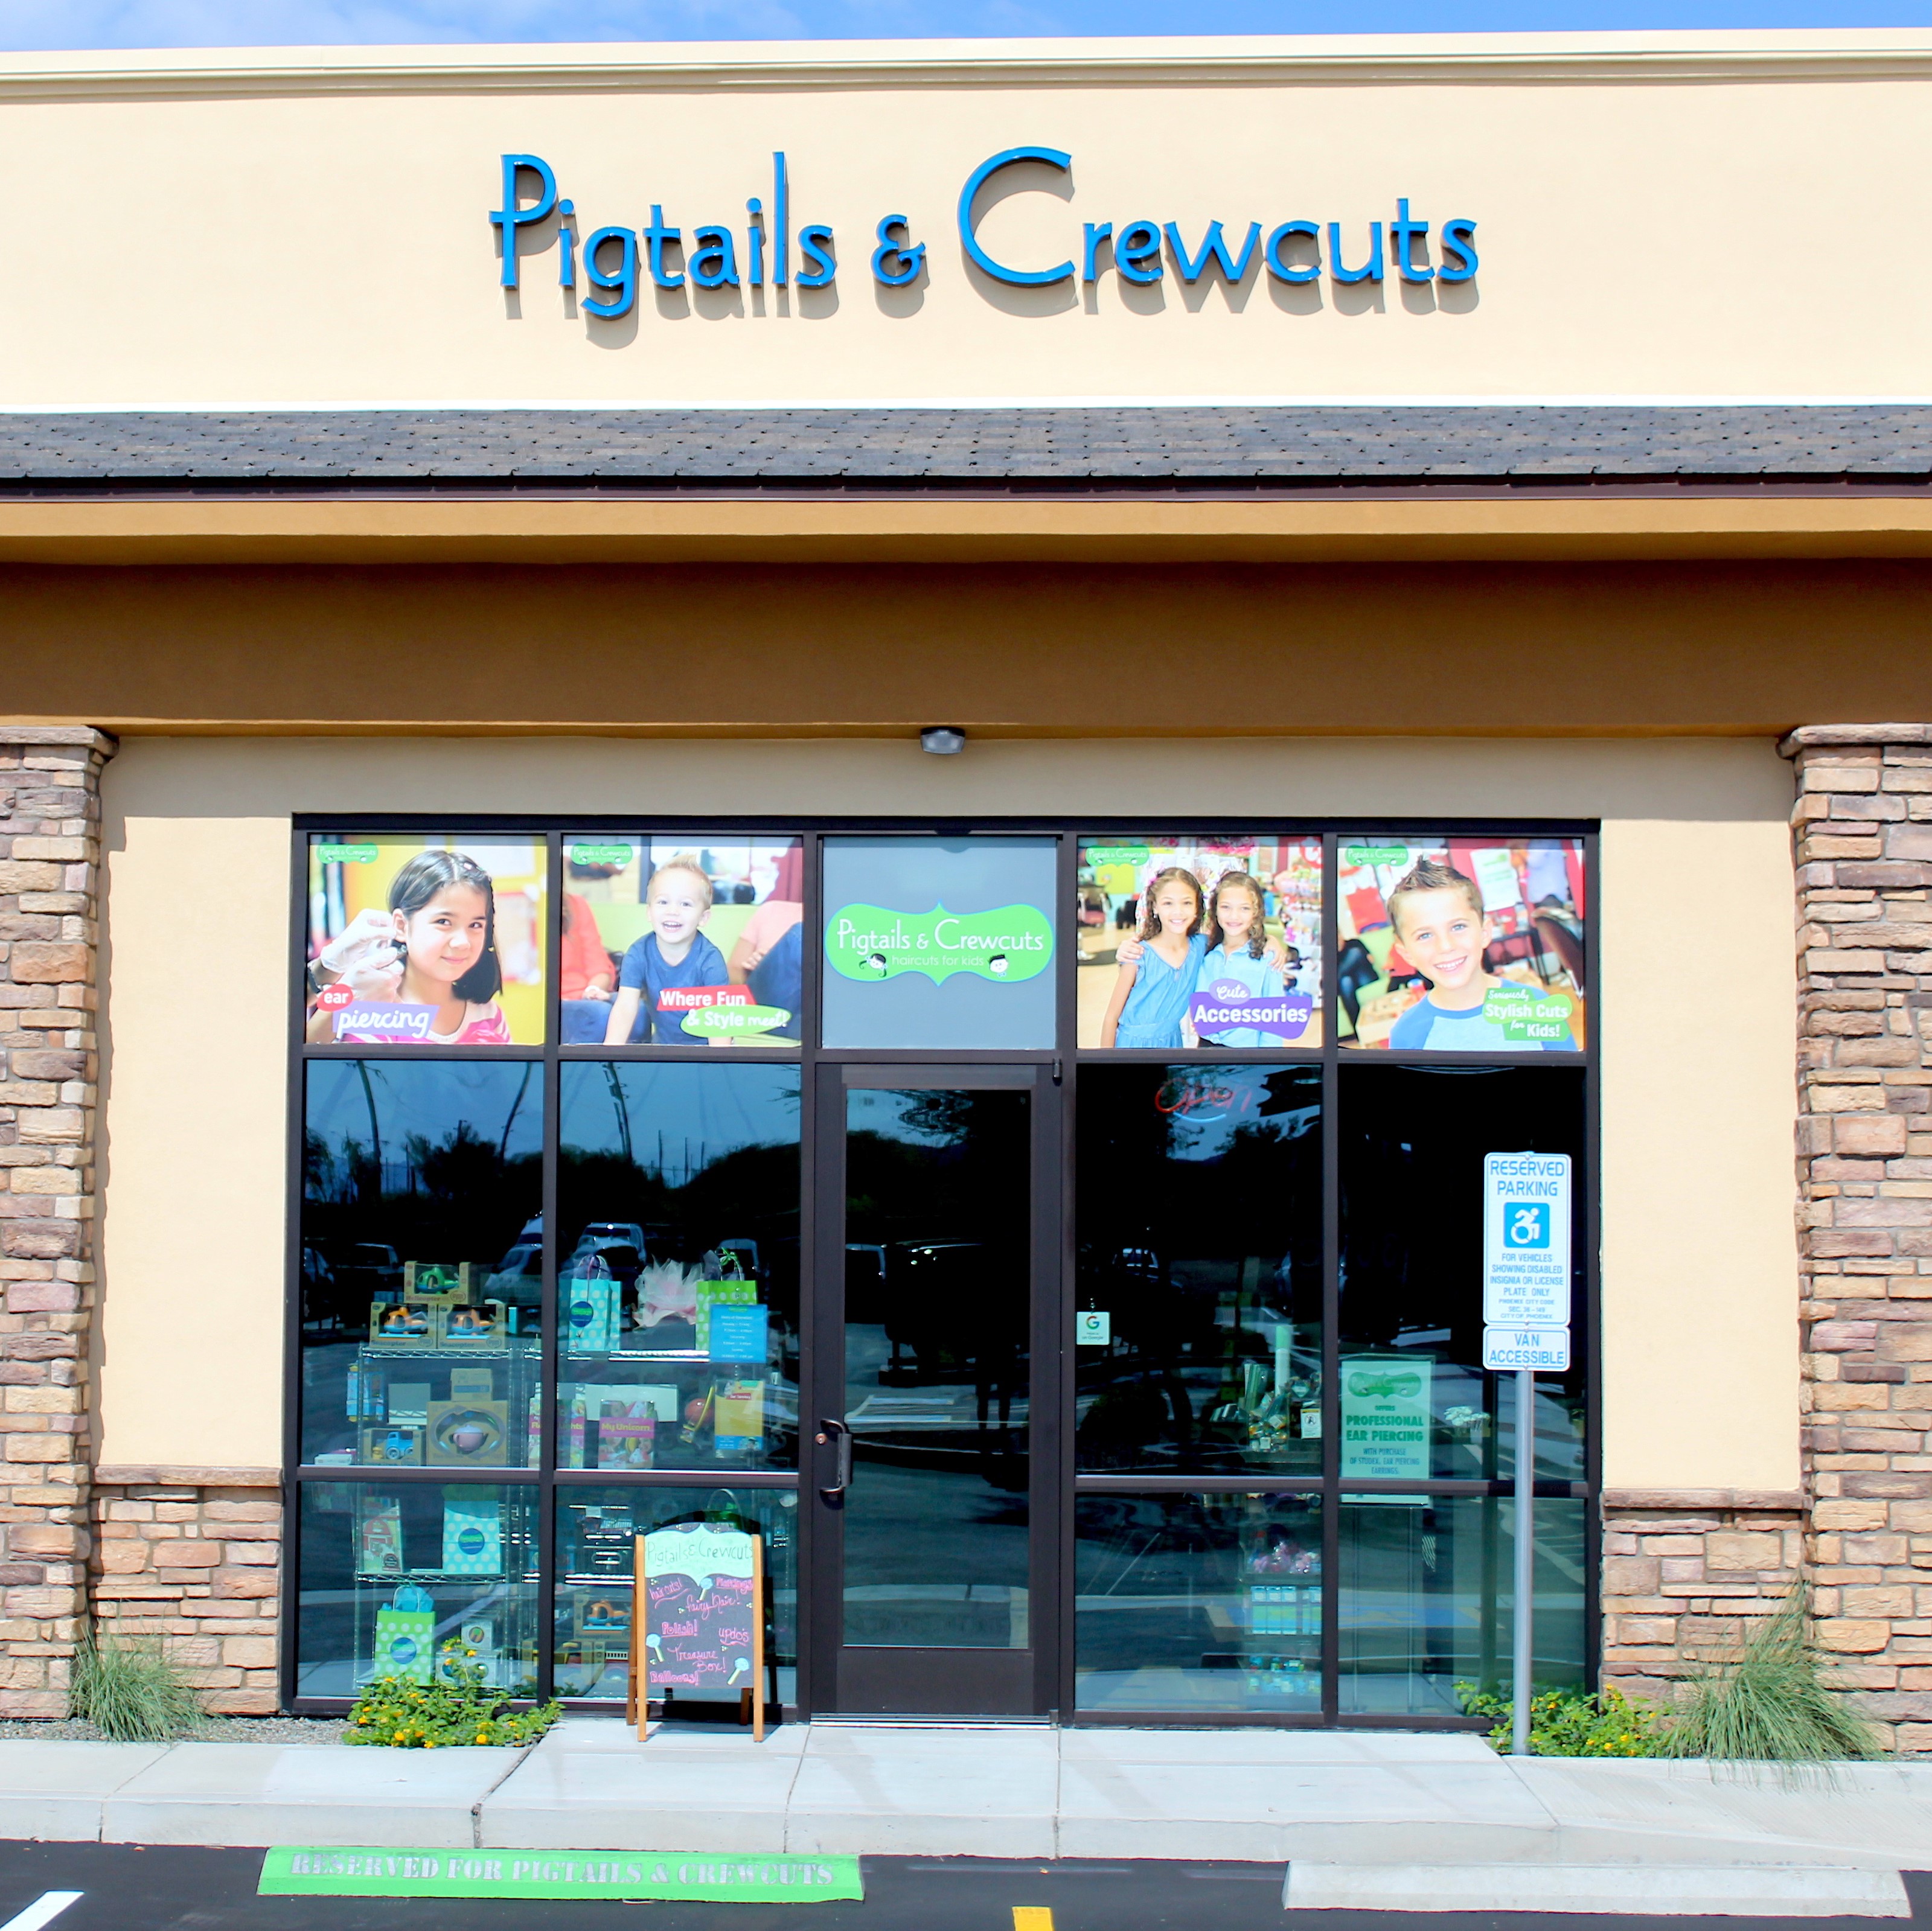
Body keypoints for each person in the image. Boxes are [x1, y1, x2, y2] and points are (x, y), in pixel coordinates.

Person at [309, 849, 512, 1045]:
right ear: (401, 925)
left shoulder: (489, 1016)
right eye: (443, 922)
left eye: (475, 925)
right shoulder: (375, 1016)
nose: (462, 942)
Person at [1384, 855, 1575, 1052]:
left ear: (1485, 933)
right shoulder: (1406, 1035)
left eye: (1458, 927)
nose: (1446, 946)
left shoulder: (1536, 1007)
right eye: (1425, 936)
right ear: (1406, 953)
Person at [603, 858, 729, 1045]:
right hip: (663, 1048)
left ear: (703, 918)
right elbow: (625, 1007)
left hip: (706, 1050)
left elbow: (719, 1020)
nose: (673, 911)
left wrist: (718, 1060)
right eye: (663, 902)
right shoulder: (638, 953)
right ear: (649, 912)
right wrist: (609, 1055)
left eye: (685, 904)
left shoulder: (710, 960)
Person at [1099, 867, 1207, 1049]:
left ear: (1197, 907)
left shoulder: (1201, 946)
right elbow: (1111, 1018)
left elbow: (1238, 941)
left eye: (1187, 903)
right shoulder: (1138, 954)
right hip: (1132, 1046)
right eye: (1168, 903)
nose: (1178, 912)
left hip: (1173, 1044)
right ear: (1155, 907)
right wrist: (1105, 1064)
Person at [1194, 872, 1287, 1047]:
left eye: (1244, 908)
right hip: (1206, 1047)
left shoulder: (1267, 956)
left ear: (1256, 912)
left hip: (1245, 1053)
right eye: (1226, 907)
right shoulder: (1204, 950)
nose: (1234, 916)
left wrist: (1269, 1061)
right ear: (1215, 909)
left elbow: (1274, 1021)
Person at [559, 892, 617, 1042]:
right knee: (601, 1014)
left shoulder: (577, 904)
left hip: (586, 994)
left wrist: (593, 990)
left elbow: (599, 966)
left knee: (638, 1010)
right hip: (554, 1002)